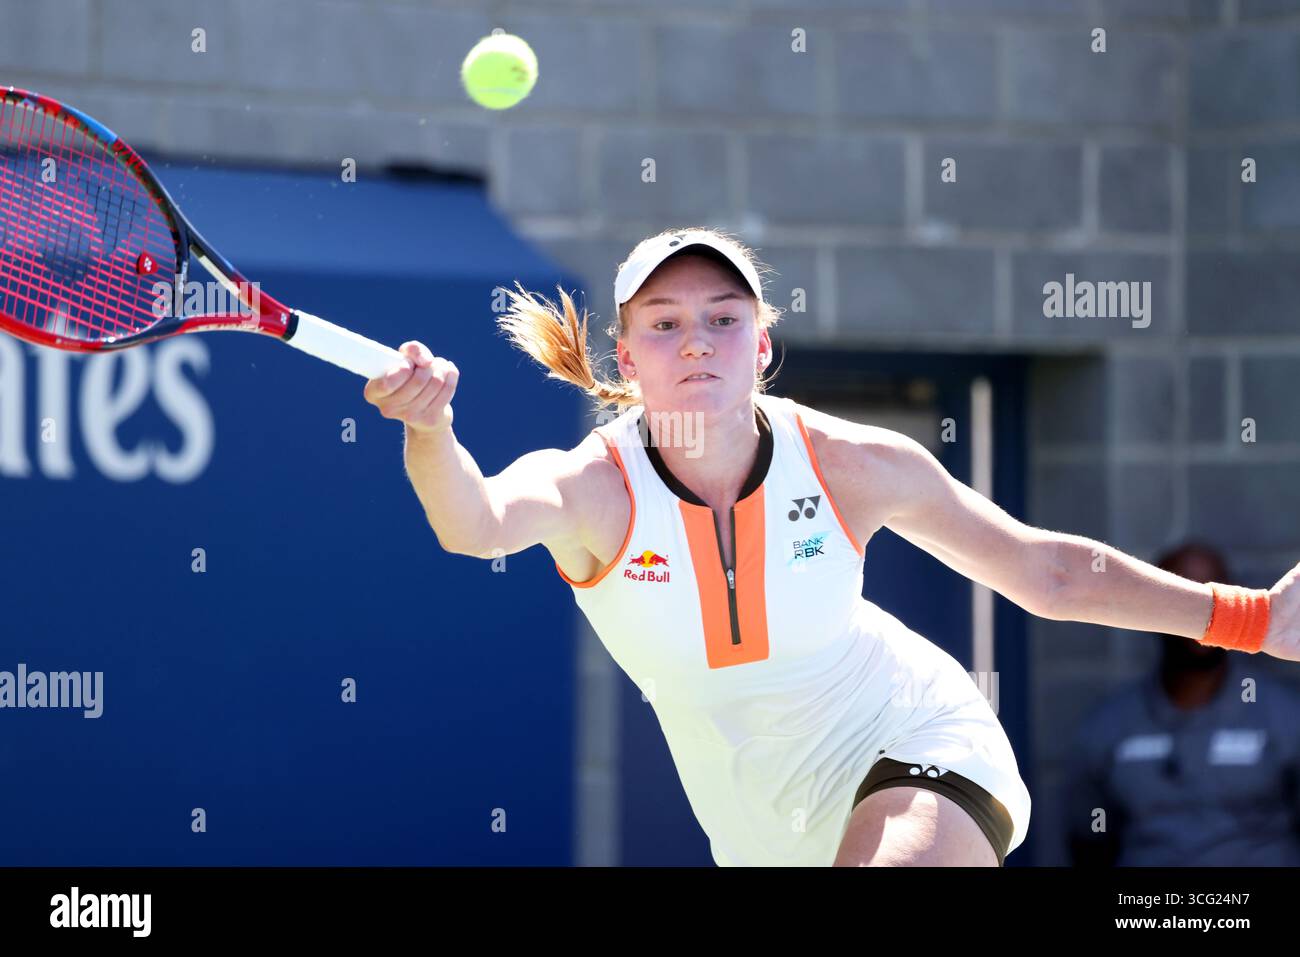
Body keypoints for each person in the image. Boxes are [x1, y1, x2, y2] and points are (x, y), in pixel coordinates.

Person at [362, 225, 1300, 867]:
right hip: (762, 829)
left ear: (762, 343)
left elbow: (1042, 569)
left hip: (918, 738)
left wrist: (1254, 619)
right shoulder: (592, 489)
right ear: (626, 352)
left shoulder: (853, 462)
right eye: (666, 324)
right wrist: (428, 431)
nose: (698, 342)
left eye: (725, 317)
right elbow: (472, 523)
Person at [1067, 542, 1300, 866]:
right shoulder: (1109, 724)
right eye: (1186, 599)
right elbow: (1088, 839)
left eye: (1215, 600)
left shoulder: (1285, 714)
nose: (1204, 615)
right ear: (1150, 608)